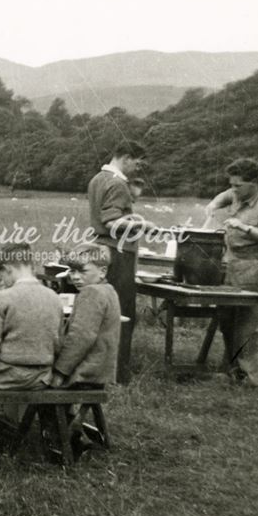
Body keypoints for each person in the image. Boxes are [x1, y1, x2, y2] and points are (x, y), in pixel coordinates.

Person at [203, 158, 258, 387]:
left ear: (254, 183)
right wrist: (213, 204)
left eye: (238, 185)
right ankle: (231, 370)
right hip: (234, 266)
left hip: (257, 268)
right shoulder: (238, 193)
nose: (233, 189)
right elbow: (225, 195)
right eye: (232, 184)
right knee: (229, 320)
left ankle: (253, 378)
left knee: (253, 325)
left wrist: (246, 228)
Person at [86, 141, 157, 383]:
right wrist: (143, 225)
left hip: (102, 249)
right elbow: (111, 221)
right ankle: (117, 373)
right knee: (123, 311)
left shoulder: (98, 178)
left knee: (104, 310)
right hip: (118, 252)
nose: (138, 169)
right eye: (137, 163)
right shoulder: (118, 184)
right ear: (126, 157)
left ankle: (101, 367)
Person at [0, 243, 65, 390]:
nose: (3, 281)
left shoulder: (3, 297)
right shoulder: (54, 298)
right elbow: (58, 345)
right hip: (42, 377)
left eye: (1, 275)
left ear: (7, 269)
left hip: (5, 375)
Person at [49, 244, 121, 389]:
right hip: (100, 372)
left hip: (83, 374)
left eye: (82, 271)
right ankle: (62, 412)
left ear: (102, 271)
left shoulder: (91, 293)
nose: (75, 277)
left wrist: (60, 371)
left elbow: (80, 338)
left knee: (32, 380)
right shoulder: (108, 290)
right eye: (72, 271)